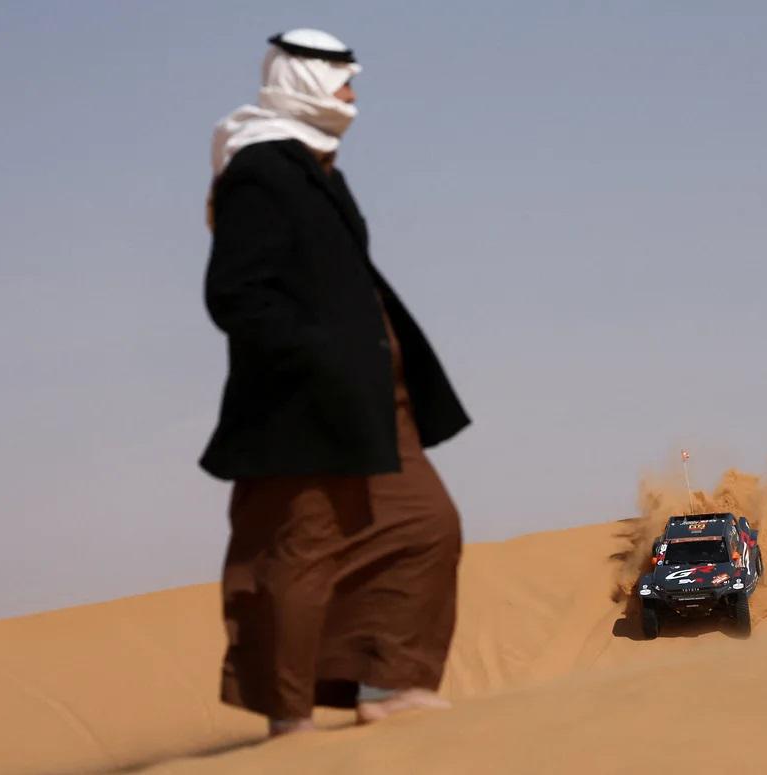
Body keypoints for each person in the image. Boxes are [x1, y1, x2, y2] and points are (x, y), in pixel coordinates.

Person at [202, 28, 471, 737]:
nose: (352, 94)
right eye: (342, 80)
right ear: (306, 81)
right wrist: (311, 356)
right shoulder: (260, 169)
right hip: (304, 401)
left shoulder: (320, 170)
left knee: (425, 525)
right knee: (300, 551)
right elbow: (235, 293)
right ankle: (288, 720)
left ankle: (388, 685)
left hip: (375, 399)